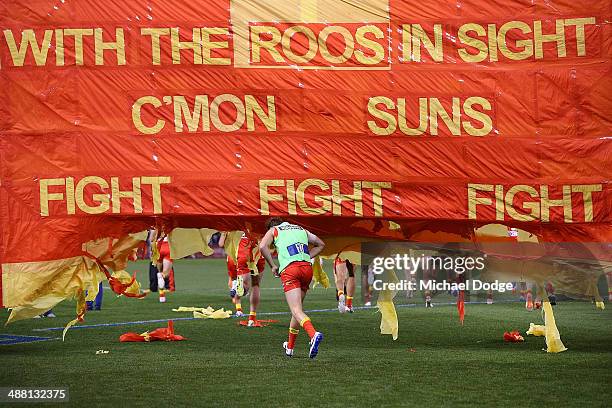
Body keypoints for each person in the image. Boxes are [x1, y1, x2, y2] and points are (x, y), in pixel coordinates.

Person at [260, 218, 325, 359]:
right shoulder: (301, 229)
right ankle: (289, 347)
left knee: (295, 310)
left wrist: (272, 265)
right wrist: (307, 256)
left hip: (291, 270)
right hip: (307, 269)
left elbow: (262, 246)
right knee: (297, 310)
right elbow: (321, 244)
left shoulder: (274, 230)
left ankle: (313, 335)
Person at [219, 231, 266, 325]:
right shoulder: (260, 225)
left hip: (240, 254)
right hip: (258, 255)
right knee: (256, 285)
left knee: (239, 282)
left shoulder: (232, 226)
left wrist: (224, 233)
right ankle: (252, 318)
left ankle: (238, 292)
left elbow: (221, 244)